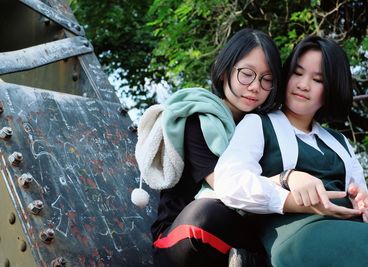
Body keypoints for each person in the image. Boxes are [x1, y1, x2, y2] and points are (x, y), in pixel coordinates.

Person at [214, 35, 368, 267]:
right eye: (297, 73)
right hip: (299, 234)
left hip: (352, 227)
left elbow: (360, 195)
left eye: (317, 79)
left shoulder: (340, 142)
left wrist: (363, 201)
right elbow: (229, 181)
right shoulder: (258, 124)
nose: (303, 84)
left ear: (332, 89)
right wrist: (289, 185)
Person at [135, 28, 283, 266]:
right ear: (225, 71)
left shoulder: (269, 129)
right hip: (183, 235)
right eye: (247, 74)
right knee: (206, 213)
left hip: (245, 232)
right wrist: (287, 180)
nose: (255, 86)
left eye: (267, 79)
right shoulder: (200, 118)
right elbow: (229, 189)